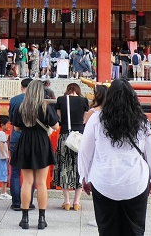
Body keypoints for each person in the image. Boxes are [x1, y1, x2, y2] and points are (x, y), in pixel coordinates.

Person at [79, 79, 151, 236]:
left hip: (104, 182)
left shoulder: (96, 119)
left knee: (107, 230)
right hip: (135, 182)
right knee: (134, 230)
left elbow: (84, 152)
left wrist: (84, 176)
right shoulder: (142, 122)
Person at [12, 79, 59, 230]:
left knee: (26, 182)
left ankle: (24, 219)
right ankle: (41, 219)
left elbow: (17, 129)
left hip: (25, 142)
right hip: (42, 144)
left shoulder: (21, 107)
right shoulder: (46, 108)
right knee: (41, 183)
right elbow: (56, 126)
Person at [53, 83, 89, 212]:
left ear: (67, 90)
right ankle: (77, 201)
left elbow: (59, 118)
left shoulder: (61, 100)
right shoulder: (84, 100)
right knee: (79, 167)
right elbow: (84, 119)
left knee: (64, 167)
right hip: (80, 137)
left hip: (65, 136)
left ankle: (67, 201)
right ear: (78, 90)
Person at [82, 84, 106, 229]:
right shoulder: (110, 111)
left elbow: (86, 125)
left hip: (94, 147)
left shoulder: (92, 112)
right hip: (103, 149)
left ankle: (99, 218)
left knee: (95, 183)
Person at [7, 78, 32, 211]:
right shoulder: (37, 101)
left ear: (22, 87)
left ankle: (16, 202)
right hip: (31, 138)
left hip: (16, 137)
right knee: (31, 171)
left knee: (15, 171)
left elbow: (11, 119)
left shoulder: (14, 100)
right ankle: (29, 201)